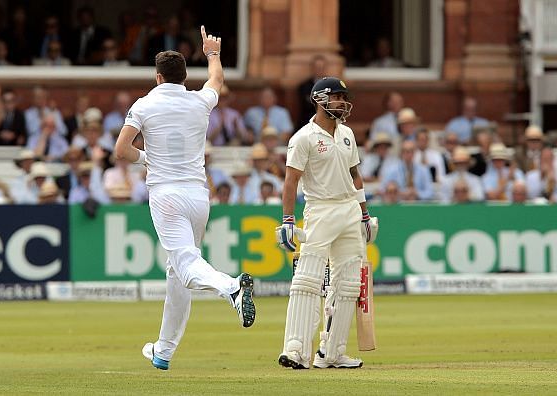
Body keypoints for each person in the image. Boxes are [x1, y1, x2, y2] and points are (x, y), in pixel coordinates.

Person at [114, 26, 256, 371]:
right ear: (184, 76)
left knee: (187, 266)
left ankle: (231, 287)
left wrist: (147, 158)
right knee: (177, 271)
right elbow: (217, 81)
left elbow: (121, 150)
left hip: (166, 194)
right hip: (198, 195)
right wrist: (213, 53)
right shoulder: (199, 100)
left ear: (158, 76)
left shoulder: (145, 104)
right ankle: (163, 351)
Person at [276, 76, 377, 370]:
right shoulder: (303, 137)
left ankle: (332, 352)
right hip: (320, 209)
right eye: (337, 97)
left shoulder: (347, 134)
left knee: (347, 284)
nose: (343, 103)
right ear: (319, 99)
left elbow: (355, 176)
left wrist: (365, 214)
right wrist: (287, 220)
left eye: (345, 98)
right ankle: (295, 349)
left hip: (349, 210)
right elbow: (291, 181)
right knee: (307, 279)